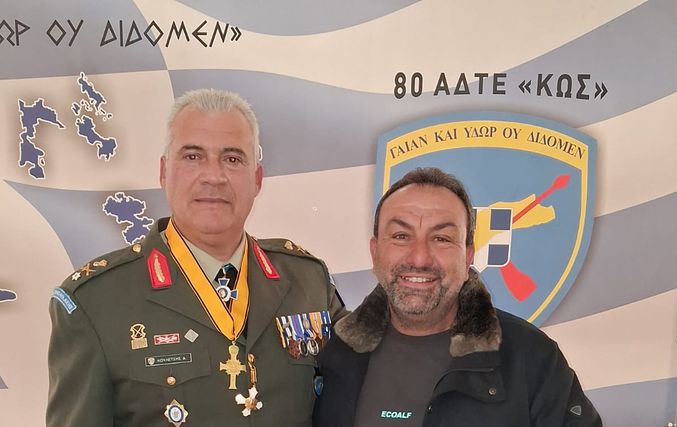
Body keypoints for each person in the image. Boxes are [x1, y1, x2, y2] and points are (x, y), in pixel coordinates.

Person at [47, 89, 346, 427]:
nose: (214, 176)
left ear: (257, 179)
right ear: (164, 172)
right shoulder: (95, 303)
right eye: (193, 156)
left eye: (233, 159)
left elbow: (364, 381)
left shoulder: (307, 281)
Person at [313, 167, 601, 427]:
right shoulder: (336, 353)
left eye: (441, 239)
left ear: (468, 258)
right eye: (401, 236)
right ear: (375, 252)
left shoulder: (533, 359)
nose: (419, 258)